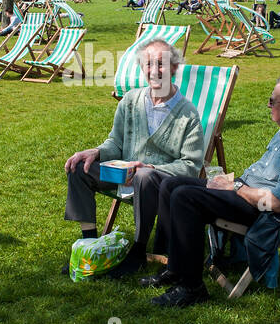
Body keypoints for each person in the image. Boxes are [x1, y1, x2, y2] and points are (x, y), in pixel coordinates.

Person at [140, 75, 280, 308]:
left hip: (260, 208)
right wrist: (232, 184)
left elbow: (277, 203)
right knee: (171, 185)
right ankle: (176, 270)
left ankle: (192, 288)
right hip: (245, 191)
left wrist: (235, 187)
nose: (268, 105)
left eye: (272, 101)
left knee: (185, 198)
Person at [63, 39, 204, 281]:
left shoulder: (187, 113)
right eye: (148, 64)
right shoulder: (130, 101)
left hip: (157, 184)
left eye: (161, 64)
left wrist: (150, 167)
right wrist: (95, 152)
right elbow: (115, 143)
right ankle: (91, 246)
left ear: (174, 68)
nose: (154, 71)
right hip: (122, 174)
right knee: (79, 168)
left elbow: (191, 166)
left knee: (144, 176)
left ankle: (138, 252)